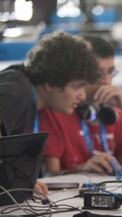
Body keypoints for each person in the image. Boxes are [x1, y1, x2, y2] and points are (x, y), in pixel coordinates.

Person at [0, 31, 100, 195]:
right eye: (77, 87)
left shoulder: (28, 94)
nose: (82, 96)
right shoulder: (15, 92)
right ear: (50, 83)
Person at [39, 35, 122, 175]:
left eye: (111, 72)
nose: (106, 81)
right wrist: (82, 170)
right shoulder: (58, 108)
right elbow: (50, 175)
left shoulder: (113, 111)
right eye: (98, 74)